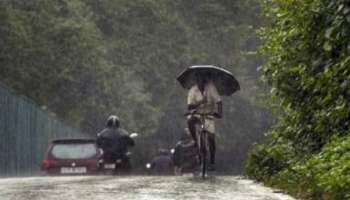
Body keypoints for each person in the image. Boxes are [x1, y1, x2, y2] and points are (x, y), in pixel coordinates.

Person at [187, 72, 223, 171]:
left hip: (209, 115)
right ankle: (195, 140)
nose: (201, 82)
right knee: (190, 121)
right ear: (196, 81)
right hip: (197, 114)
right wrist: (200, 102)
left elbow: (219, 102)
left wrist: (220, 113)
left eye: (202, 79)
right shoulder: (192, 90)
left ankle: (212, 161)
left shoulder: (211, 88)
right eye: (198, 80)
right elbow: (189, 106)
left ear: (205, 80)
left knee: (211, 138)